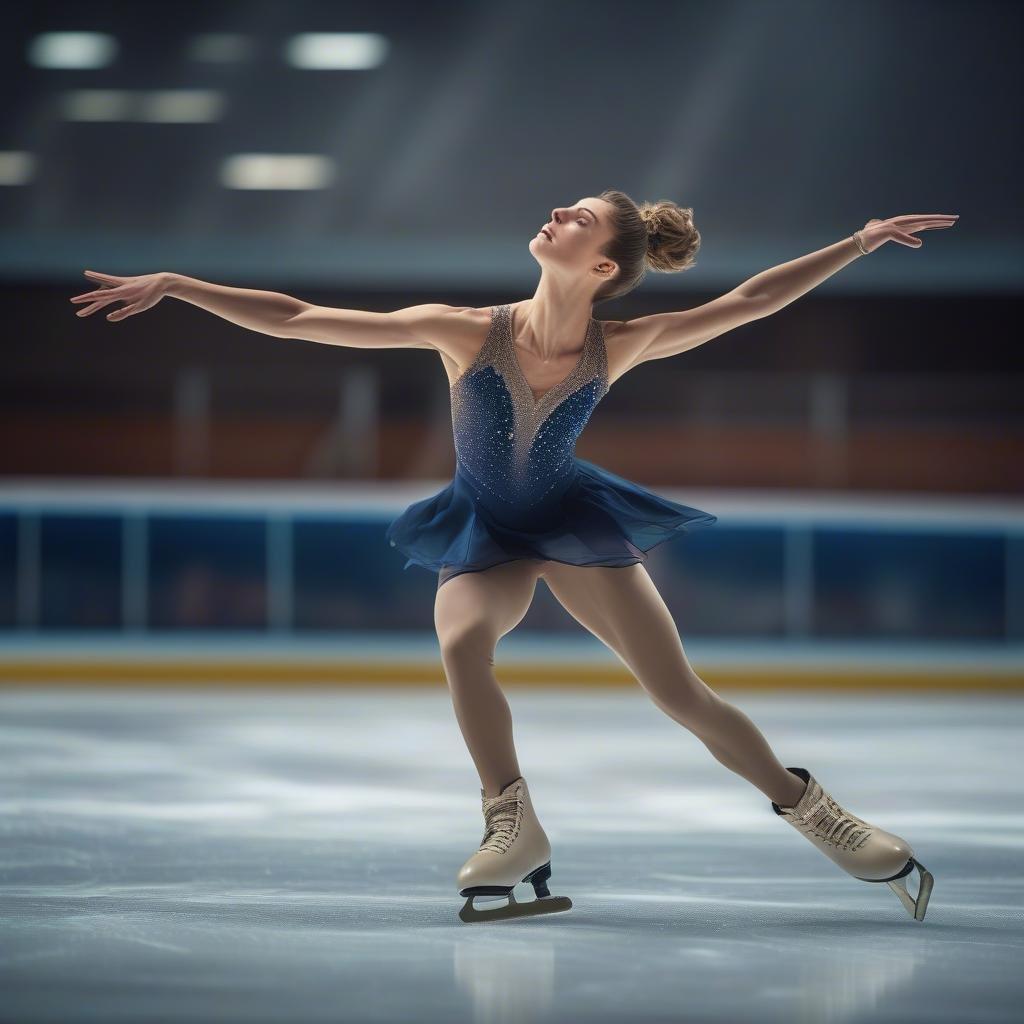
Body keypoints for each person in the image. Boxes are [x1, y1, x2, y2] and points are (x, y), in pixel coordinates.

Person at [70, 193, 955, 923]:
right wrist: (181, 284)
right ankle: (511, 821)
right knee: (461, 644)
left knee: (678, 692)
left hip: (572, 524)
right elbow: (301, 319)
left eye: (578, 217)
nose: (556, 213)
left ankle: (817, 812)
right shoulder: (465, 331)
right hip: (488, 530)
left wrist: (857, 242)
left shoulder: (621, 343)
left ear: (603, 266)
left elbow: (751, 302)